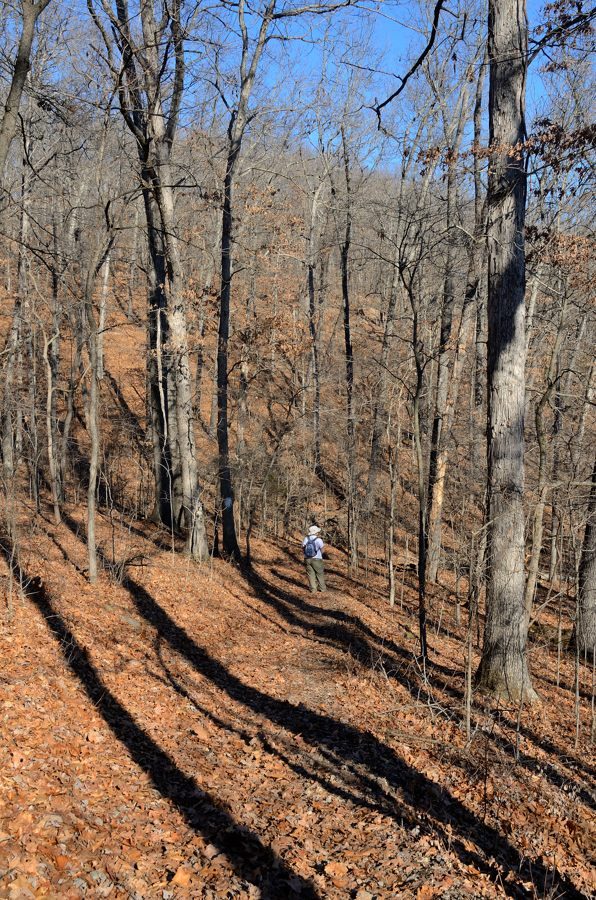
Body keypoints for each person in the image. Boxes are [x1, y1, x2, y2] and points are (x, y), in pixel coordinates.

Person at [302, 525, 326, 593]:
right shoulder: (319, 540)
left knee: (310, 574)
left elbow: (303, 548)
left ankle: (313, 589)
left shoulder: (306, 538)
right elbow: (322, 550)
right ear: (316, 532)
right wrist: (321, 555)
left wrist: (305, 554)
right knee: (319, 574)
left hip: (307, 559)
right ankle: (322, 589)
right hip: (317, 559)